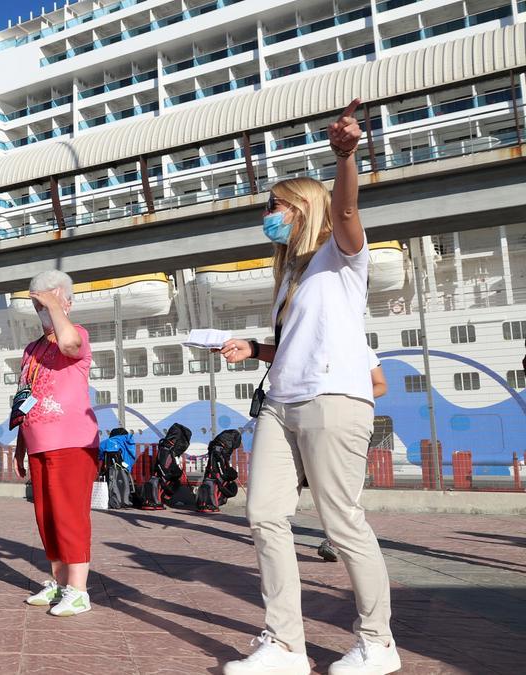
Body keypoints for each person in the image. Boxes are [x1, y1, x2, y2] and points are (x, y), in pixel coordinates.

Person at [219, 100, 401, 675]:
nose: (267, 215)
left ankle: (378, 642)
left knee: (341, 522)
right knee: (264, 514)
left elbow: (346, 210)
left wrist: (346, 156)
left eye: (274, 206)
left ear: (300, 208)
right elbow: (299, 342)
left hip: (333, 399)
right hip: (281, 403)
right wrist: (258, 349)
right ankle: (285, 645)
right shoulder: (291, 275)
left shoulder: (340, 255)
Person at [12, 270, 100, 617]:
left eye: (47, 301)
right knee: (46, 516)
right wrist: (20, 441)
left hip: (72, 442)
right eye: (37, 303)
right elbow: (25, 395)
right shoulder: (31, 349)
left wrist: (54, 306)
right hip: (37, 442)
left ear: (67, 301)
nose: (42, 309)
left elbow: (69, 345)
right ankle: (61, 582)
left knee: (69, 514)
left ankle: (79, 590)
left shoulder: (77, 334)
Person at [318, 350, 386, 563]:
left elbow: (381, 385)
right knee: (327, 483)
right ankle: (334, 535)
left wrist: (354, 394)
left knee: (348, 483)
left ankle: (336, 539)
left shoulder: (363, 350)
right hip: (322, 422)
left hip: (352, 421)